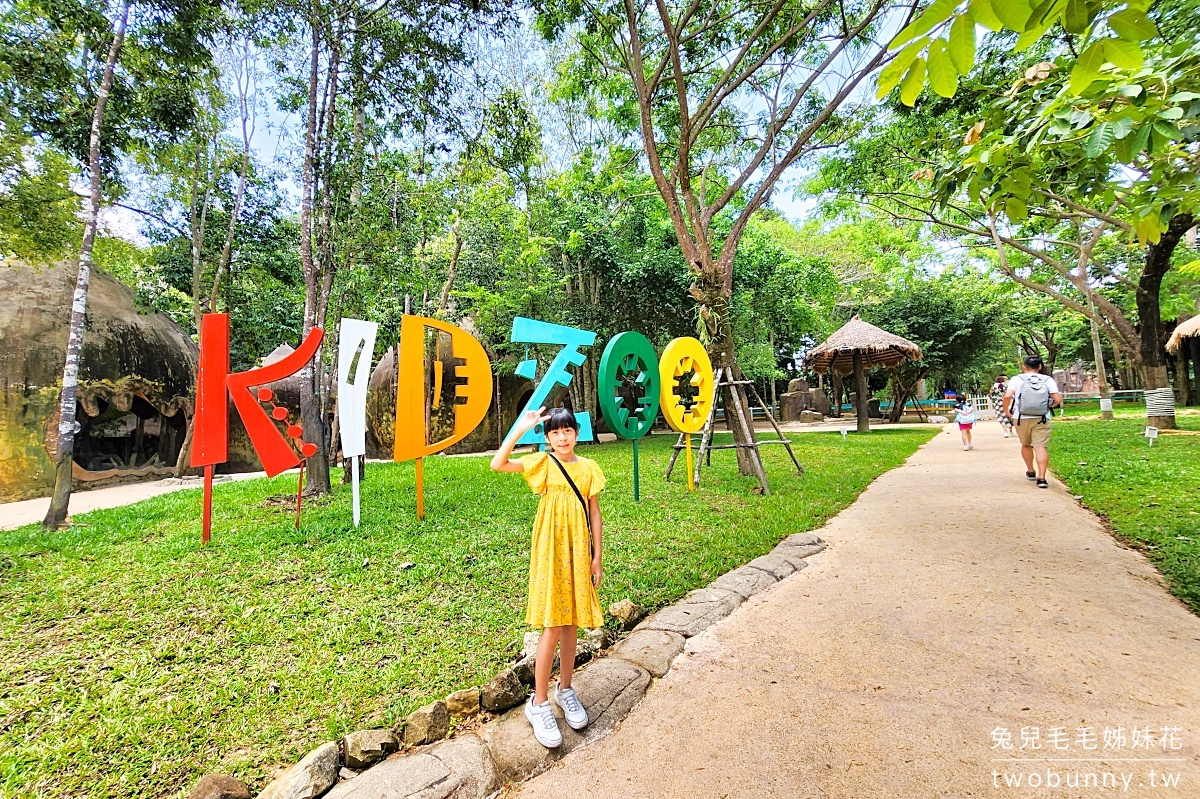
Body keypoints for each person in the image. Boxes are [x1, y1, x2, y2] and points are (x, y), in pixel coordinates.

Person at [490, 406, 605, 749]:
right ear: (548, 437)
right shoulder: (543, 462)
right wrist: (520, 429)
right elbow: (498, 464)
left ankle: (565, 689)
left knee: (572, 623)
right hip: (550, 550)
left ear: (577, 432)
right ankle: (538, 703)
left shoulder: (588, 469)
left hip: (579, 550)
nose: (562, 437)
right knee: (553, 624)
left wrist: (597, 557)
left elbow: (594, 514)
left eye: (567, 430)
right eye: (555, 432)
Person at [1001, 356, 1063, 489]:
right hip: (1042, 417)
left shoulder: (1016, 379)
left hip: (1021, 417)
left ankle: (1031, 471)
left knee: (1026, 444)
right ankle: (1042, 478)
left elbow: (1007, 396)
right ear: (1040, 367)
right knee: (1040, 446)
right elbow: (1057, 398)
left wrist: (1007, 411)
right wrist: (1049, 406)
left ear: (1024, 367)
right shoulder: (1047, 379)